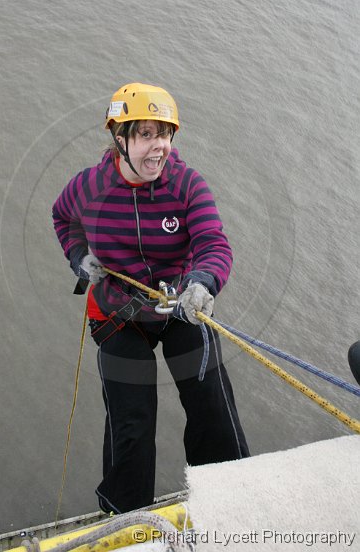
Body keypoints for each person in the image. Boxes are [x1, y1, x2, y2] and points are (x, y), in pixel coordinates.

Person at [52, 82, 249, 514]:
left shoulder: (187, 185)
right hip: (118, 314)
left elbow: (215, 243)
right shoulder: (88, 188)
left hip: (180, 305)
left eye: (164, 134)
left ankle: (231, 498)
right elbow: (63, 217)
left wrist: (202, 283)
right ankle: (125, 517)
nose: (158, 147)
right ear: (119, 138)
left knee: (212, 405)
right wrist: (79, 256)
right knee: (133, 424)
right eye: (145, 134)